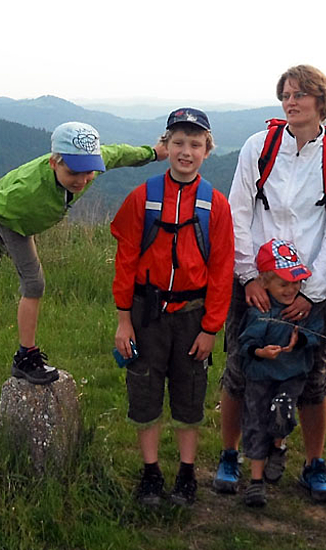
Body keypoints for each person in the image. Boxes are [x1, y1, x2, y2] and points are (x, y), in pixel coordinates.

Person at [0, 122, 164, 385]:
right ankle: (25, 358)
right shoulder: (22, 193)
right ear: (54, 163)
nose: (82, 180)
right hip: (13, 220)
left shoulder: (90, 162)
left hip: (31, 216)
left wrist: (153, 153)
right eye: (73, 173)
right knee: (34, 284)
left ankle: (25, 355)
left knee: (34, 278)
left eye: (89, 172)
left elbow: (118, 153)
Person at [214, 65, 326, 503]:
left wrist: (312, 293)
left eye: (300, 94)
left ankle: (314, 464)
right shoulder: (259, 147)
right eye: (286, 95)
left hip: (310, 287)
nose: (291, 102)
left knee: (312, 379)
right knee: (240, 370)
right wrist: (248, 277)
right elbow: (239, 211)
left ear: (321, 101)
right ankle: (230, 455)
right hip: (257, 282)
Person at [110, 108, 233, 507]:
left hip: (193, 317)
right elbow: (125, 262)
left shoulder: (215, 205)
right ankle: (151, 473)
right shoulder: (142, 198)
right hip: (146, 314)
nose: (185, 152)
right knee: (144, 391)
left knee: (189, 394)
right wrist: (123, 321)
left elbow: (222, 271)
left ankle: (186, 473)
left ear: (206, 151)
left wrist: (211, 329)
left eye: (195, 144)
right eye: (178, 143)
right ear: (165, 146)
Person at [235, 239, 325, 508]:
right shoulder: (259, 312)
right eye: (283, 284)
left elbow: (316, 334)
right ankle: (256, 480)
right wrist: (261, 352)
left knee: (282, 410)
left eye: (296, 283)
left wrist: (301, 339)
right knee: (255, 421)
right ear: (264, 282)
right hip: (260, 376)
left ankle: (278, 446)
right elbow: (245, 343)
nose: (291, 290)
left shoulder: (302, 310)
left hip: (292, 375)